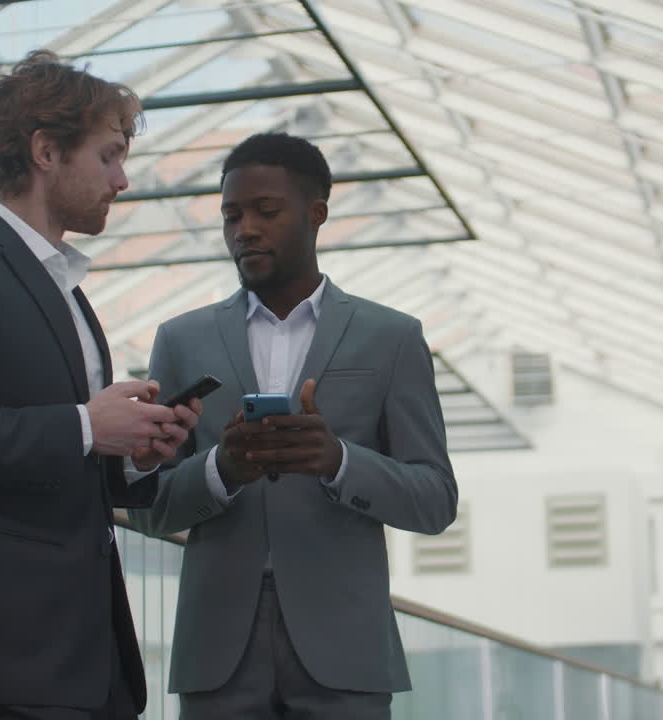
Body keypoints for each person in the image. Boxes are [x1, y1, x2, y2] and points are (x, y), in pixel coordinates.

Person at [0, 50, 201, 720]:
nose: (124, 179)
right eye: (109, 156)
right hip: (2, 643)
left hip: (84, 647)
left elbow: (69, 462)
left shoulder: (69, 295)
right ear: (46, 151)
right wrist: (88, 425)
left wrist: (134, 453)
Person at [128, 132, 458, 718]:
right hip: (217, 653)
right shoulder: (181, 340)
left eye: (266, 211)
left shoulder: (393, 338)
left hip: (346, 653)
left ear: (316, 214)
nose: (244, 229)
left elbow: (434, 501)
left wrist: (338, 461)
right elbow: (149, 509)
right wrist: (221, 469)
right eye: (231, 215)